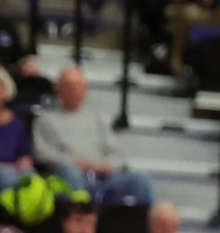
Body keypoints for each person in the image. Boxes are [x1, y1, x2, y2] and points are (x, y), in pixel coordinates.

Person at [33, 67, 156, 203]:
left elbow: (117, 153)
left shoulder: (97, 119)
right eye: (69, 86)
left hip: (103, 177)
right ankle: (82, 220)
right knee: (71, 174)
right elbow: (42, 154)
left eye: (79, 86)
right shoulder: (46, 120)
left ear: (85, 91)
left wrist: (109, 164)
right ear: (58, 89)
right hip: (71, 176)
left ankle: (149, 221)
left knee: (140, 180)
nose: (75, 90)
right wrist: (74, 163)